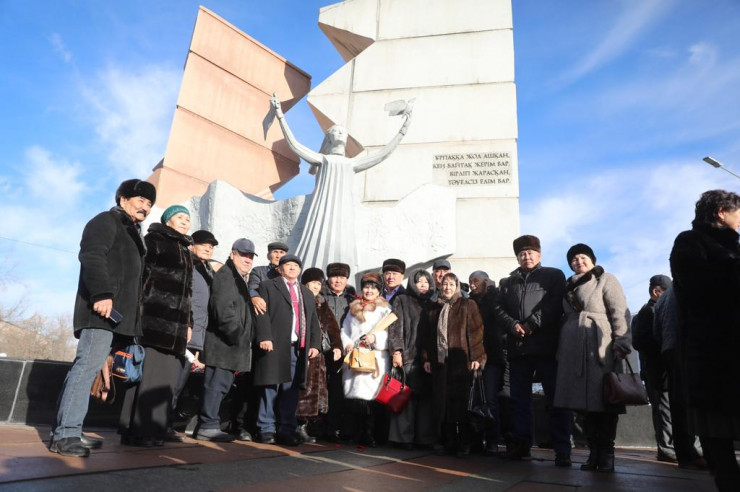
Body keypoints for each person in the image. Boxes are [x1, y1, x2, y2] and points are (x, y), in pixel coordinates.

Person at [50, 179, 155, 457]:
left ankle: (70, 428)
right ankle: (65, 435)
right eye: (140, 200)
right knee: (86, 368)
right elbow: (92, 255)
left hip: (116, 317)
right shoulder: (107, 221)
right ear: (123, 199)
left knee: (90, 369)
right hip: (101, 311)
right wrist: (101, 294)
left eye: (149, 204)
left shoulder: (134, 233)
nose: (145, 207)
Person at [270, 94, 412, 275]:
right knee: (318, 239)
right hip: (321, 209)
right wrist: (280, 116)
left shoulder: (351, 163)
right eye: (336, 131)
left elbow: (382, 154)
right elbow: (295, 145)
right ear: (329, 138)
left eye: (343, 132)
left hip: (343, 214)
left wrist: (403, 129)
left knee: (342, 243)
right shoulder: (323, 159)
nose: (341, 134)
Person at [670, 190, 740, 491]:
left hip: (731, 350)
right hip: (711, 353)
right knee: (716, 431)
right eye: (738, 211)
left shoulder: (733, 247)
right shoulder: (690, 242)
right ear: (721, 212)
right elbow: (700, 287)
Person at [493, 235, 572, 466]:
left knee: (556, 399)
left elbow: (555, 304)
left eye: (530, 253)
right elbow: (498, 308)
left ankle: (562, 449)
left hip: (547, 348)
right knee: (519, 402)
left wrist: (532, 324)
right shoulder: (507, 282)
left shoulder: (553, 275)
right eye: (522, 254)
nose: (526, 257)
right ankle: (522, 446)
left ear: (539, 255)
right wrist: (512, 325)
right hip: (518, 350)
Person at [119, 204, 194, 447]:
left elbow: (187, 292)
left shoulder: (186, 249)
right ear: (168, 220)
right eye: (180, 217)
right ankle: (139, 431)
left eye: (187, 219)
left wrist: (189, 322)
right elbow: (141, 277)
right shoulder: (154, 240)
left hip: (177, 328)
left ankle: (155, 430)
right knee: (150, 378)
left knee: (165, 381)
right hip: (154, 321)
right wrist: (138, 312)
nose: (185, 222)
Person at [554, 243, 632, 473]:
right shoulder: (568, 286)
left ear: (592, 259)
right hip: (573, 349)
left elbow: (619, 311)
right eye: (574, 259)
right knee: (583, 406)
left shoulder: (605, 279)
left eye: (582, 257)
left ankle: (607, 453)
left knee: (605, 401)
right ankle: (593, 452)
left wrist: (622, 342)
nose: (578, 262)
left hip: (601, 346)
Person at [253, 254, 321, 446]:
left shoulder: (306, 292)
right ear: (280, 268)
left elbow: (312, 320)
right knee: (271, 386)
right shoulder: (268, 286)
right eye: (288, 265)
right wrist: (264, 336)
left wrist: (314, 344)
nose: (292, 268)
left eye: (296, 265)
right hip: (274, 344)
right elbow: (261, 314)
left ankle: (287, 429)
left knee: (291, 390)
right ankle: (266, 428)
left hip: (297, 348)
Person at [194, 238, 257, 442]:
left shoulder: (236, 276)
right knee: (216, 386)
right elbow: (222, 310)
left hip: (229, 346)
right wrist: (238, 335)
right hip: (223, 345)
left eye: (250, 256)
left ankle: (208, 424)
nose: (247, 259)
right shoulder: (227, 275)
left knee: (220, 386)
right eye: (243, 255)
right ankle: (207, 426)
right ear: (232, 254)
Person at [422, 272, 486, 456]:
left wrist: (476, 357)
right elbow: (427, 337)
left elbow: (476, 332)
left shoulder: (467, 304)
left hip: (461, 362)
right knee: (443, 403)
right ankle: (448, 441)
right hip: (441, 363)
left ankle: (465, 442)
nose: (447, 287)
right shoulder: (434, 309)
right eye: (445, 284)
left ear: (457, 286)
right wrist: (426, 359)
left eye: (451, 284)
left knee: (462, 403)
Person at [168, 229, 217, 442]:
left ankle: (167, 423)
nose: (208, 248)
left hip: (197, 337)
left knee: (180, 385)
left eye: (211, 246)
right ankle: (161, 424)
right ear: (192, 245)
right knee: (173, 382)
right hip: (183, 333)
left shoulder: (207, 270)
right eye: (204, 244)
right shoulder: (187, 264)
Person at [653, 285, 707, 470]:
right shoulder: (693, 284)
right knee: (699, 401)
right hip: (693, 347)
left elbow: (656, 331)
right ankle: (701, 453)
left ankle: (685, 455)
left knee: (678, 405)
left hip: (669, 350)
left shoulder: (663, 298)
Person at [341, 272, 395, 447]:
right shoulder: (353, 308)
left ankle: (370, 433)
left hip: (375, 360)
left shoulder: (385, 310)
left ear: (379, 290)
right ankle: (354, 432)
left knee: (372, 399)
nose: (369, 291)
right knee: (354, 398)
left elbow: (391, 334)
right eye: (366, 287)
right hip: (355, 358)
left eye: (373, 287)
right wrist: (347, 344)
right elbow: (344, 330)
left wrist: (375, 339)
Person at [388, 269, 436, 449]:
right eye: (419, 281)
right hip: (408, 356)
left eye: (426, 281)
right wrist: (397, 351)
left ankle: (423, 438)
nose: (423, 285)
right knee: (405, 398)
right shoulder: (402, 300)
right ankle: (403, 438)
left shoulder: (433, 303)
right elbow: (395, 327)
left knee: (426, 400)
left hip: (428, 359)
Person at [296, 267, 343, 443]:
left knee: (316, 391)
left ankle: (309, 425)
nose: (315, 286)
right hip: (302, 351)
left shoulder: (321, 302)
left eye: (318, 283)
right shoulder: (299, 299)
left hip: (319, 356)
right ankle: (298, 425)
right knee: (302, 389)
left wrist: (337, 346)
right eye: (312, 282)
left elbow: (332, 327)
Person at [632, 274, 676, 463]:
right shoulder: (648, 312)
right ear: (657, 292)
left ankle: (668, 448)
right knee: (664, 411)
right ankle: (667, 449)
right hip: (658, 372)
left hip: (658, 371)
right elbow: (640, 343)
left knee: (666, 411)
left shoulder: (650, 311)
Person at [468, 270, 504, 455]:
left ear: (486, 281)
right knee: (473, 400)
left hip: (492, 357)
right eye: (470, 281)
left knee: (490, 400)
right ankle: (475, 441)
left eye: (476, 281)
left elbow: (498, 315)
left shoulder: (494, 298)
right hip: (473, 357)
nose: (472, 285)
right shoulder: (469, 302)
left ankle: (492, 440)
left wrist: (492, 290)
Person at [320, 262, 355, 441]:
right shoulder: (320, 296)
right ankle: (318, 427)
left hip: (345, 352)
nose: (338, 281)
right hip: (323, 349)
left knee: (339, 391)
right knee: (321, 389)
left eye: (342, 277)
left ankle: (335, 428)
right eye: (334, 277)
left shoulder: (352, 300)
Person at [249, 241, 289, 316]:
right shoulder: (258, 271)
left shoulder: (290, 274)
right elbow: (253, 288)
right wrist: (254, 297)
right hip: (264, 311)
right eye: (275, 252)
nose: (278, 256)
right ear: (268, 256)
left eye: (281, 252)